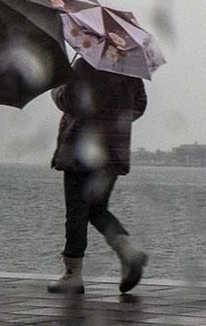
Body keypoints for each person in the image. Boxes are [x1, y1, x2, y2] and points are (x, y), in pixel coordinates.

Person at [49, 59, 148, 295]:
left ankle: (73, 275)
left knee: (76, 212)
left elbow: (71, 100)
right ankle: (128, 252)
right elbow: (140, 106)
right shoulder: (130, 69)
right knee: (97, 209)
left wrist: (57, 89)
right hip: (113, 152)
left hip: (81, 151)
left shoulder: (85, 65)